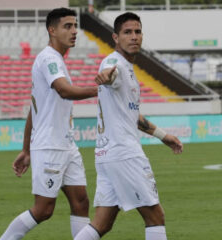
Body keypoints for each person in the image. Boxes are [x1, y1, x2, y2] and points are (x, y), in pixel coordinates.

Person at [74, 12, 183, 240]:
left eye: (137, 31)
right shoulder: (115, 64)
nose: (134, 37)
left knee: (102, 224)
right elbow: (110, 73)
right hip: (124, 154)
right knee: (155, 216)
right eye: (127, 32)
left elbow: (132, 115)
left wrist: (164, 136)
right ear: (115, 37)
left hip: (107, 154)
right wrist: (106, 75)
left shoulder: (127, 67)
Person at [0, 8, 98, 239]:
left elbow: (35, 110)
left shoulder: (58, 60)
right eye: (67, 26)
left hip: (66, 145)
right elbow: (64, 91)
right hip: (50, 145)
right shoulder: (48, 58)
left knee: (81, 201)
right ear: (51, 30)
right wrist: (100, 89)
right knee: (44, 210)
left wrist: (25, 149)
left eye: (75, 26)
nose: (74, 31)